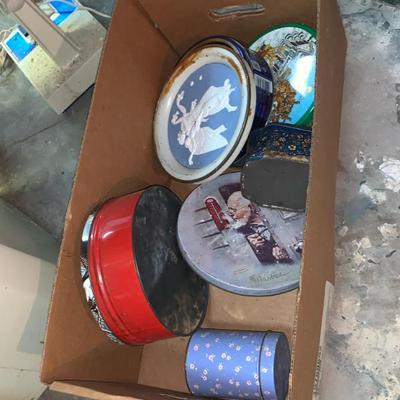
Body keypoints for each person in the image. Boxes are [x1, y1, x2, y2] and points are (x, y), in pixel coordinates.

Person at [226, 191, 291, 264]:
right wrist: (254, 248)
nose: (234, 217)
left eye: (235, 210)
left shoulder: (275, 217)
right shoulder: (243, 232)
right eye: (231, 214)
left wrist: (281, 247)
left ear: (250, 207)